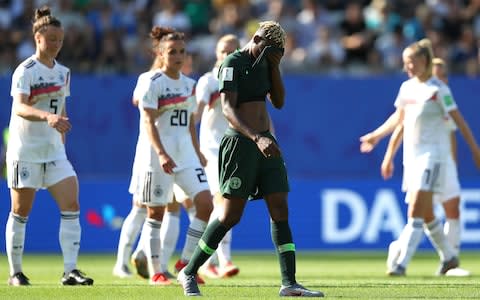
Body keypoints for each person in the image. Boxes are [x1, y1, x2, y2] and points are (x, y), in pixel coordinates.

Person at [177, 21, 324, 297]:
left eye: (277, 53)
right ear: (256, 38)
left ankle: (289, 283)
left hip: (266, 143)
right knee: (230, 215)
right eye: (269, 50)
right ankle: (189, 271)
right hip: (241, 144)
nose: (271, 55)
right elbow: (229, 109)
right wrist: (257, 137)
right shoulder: (233, 62)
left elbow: (278, 102)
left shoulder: (266, 64)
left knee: (280, 207)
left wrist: (275, 66)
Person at [360, 39, 480, 276]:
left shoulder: (438, 90)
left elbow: (460, 123)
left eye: (411, 62)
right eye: (405, 63)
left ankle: (401, 264)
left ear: (423, 61)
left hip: (432, 157)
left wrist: (476, 151)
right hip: (411, 159)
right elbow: (399, 119)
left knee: (415, 209)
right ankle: (449, 257)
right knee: (426, 214)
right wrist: (376, 137)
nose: (407, 67)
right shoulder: (407, 88)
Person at [5, 6, 94, 286]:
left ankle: (70, 270)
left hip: (54, 152)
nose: (56, 44)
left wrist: (61, 129)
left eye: (60, 40)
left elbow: (61, 105)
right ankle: (15, 273)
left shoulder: (63, 72)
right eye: (51, 38)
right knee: (20, 212)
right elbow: (19, 107)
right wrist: (48, 117)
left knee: (72, 205)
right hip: (26, 151)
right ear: (38, 38)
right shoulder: (25, 71)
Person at [127, 25, 212, 285]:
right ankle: (157, 272)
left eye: (182, 52)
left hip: (185, 153)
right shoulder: (151, 82)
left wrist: (197, 152)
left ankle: (187, 262)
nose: (178, 56)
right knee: (156, 213)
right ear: (161, 55)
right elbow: (148, 123)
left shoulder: (190, 84)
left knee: (206, 204)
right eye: (172, 52)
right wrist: (162, 153)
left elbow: (188, 123)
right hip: (157, 156)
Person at [379, 58, 470, 277]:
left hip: (443, 163)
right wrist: (388, 154)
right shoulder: (419, 96)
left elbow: (452, 134)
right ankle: (404, 251)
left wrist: (453, 166)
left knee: (451, 208)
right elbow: (401, 126)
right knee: (422, 211)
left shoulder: (441, 97)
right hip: (421, 161)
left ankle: (448, 260)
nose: (437, 79)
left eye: (441, 75)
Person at [194, 34, 241, 279]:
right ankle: (223, 259)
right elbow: (196, 115)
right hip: (211, 151)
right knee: (223, 201)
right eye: (223, 50)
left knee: (227, 204)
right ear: (216, 52)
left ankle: (208, 259)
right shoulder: (208, 81)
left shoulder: (242, 80)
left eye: (233, 51)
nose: (227, 55)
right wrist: (190, 146)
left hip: (235, 150)